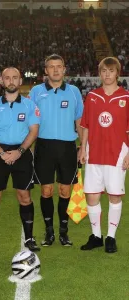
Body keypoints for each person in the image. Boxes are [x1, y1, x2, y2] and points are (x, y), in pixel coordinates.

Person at [0, 67, 40, 253]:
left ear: (20, 81)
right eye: (7, 78)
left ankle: (29, 238)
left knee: (24, 197)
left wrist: (19, 152)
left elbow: (34, 131)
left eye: (15, 78)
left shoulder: (30, 106)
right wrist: (2, 153)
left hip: (22, 153)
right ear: (2, 81)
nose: (11, 81)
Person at [29, 54, 83, 247]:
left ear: (64, 69)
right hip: (44, 146)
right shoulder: (36, 91)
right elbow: (30, 121)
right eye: (51, 67)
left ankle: (64, 232)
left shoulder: (74, 91)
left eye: (59, 66)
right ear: (46, 70)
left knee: (64, 190)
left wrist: (83, 147)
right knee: (46, 190)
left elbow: (80, 121)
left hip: (67, 147)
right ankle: (49, 231)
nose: (55, 70)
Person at [80, 57, 129, 253]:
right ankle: (96, 236)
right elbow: (85, 125)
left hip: (117, 154)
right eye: (103, 71)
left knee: (114, 196)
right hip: (94, 153)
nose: (107, 74)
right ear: (99, 74)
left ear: (118, 73)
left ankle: (110, 237)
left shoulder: (126, 98)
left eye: (111, 70)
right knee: (91, 196)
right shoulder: (92, 96)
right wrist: (82, 148)